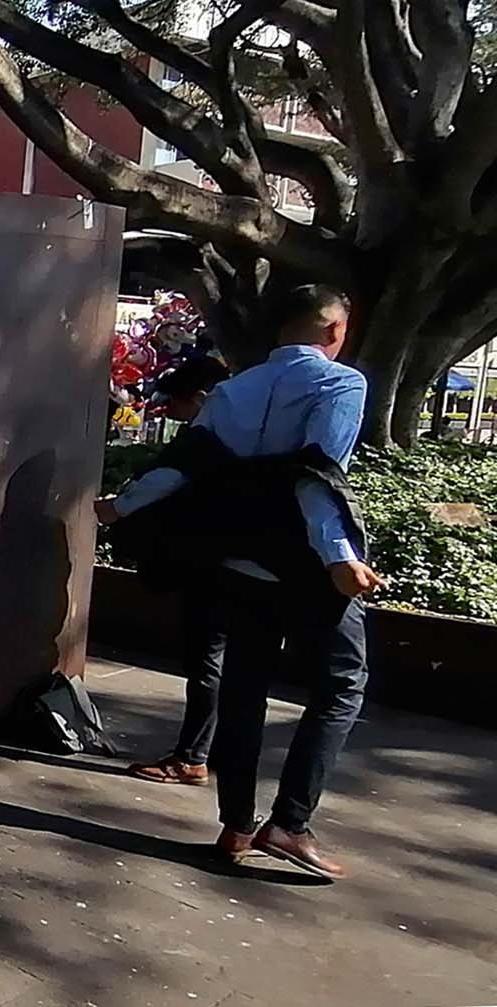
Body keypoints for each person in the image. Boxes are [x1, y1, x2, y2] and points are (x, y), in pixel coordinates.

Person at [98, 285, 383, 880]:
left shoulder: (233, 389)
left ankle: (237, 825)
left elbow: (181, 466)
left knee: (245, 688)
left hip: (236, 559)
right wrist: (338, 554)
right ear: (335, 330)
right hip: (303, 564)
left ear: (279, 329)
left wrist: (122, 508)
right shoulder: (340, 384)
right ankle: (291, 822)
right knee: (342, 685)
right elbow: (316, 475)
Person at [121, 357, 232, 787]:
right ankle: (210, 749)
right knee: (229, 660)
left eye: (178, 402)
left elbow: (165, 480)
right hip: (249, 556)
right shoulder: (253, 435)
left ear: (203, 399)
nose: (171, 411)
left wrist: (116, 508)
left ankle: (193, 755)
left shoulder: (205, 439)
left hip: (212, 558)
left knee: (209, 658)